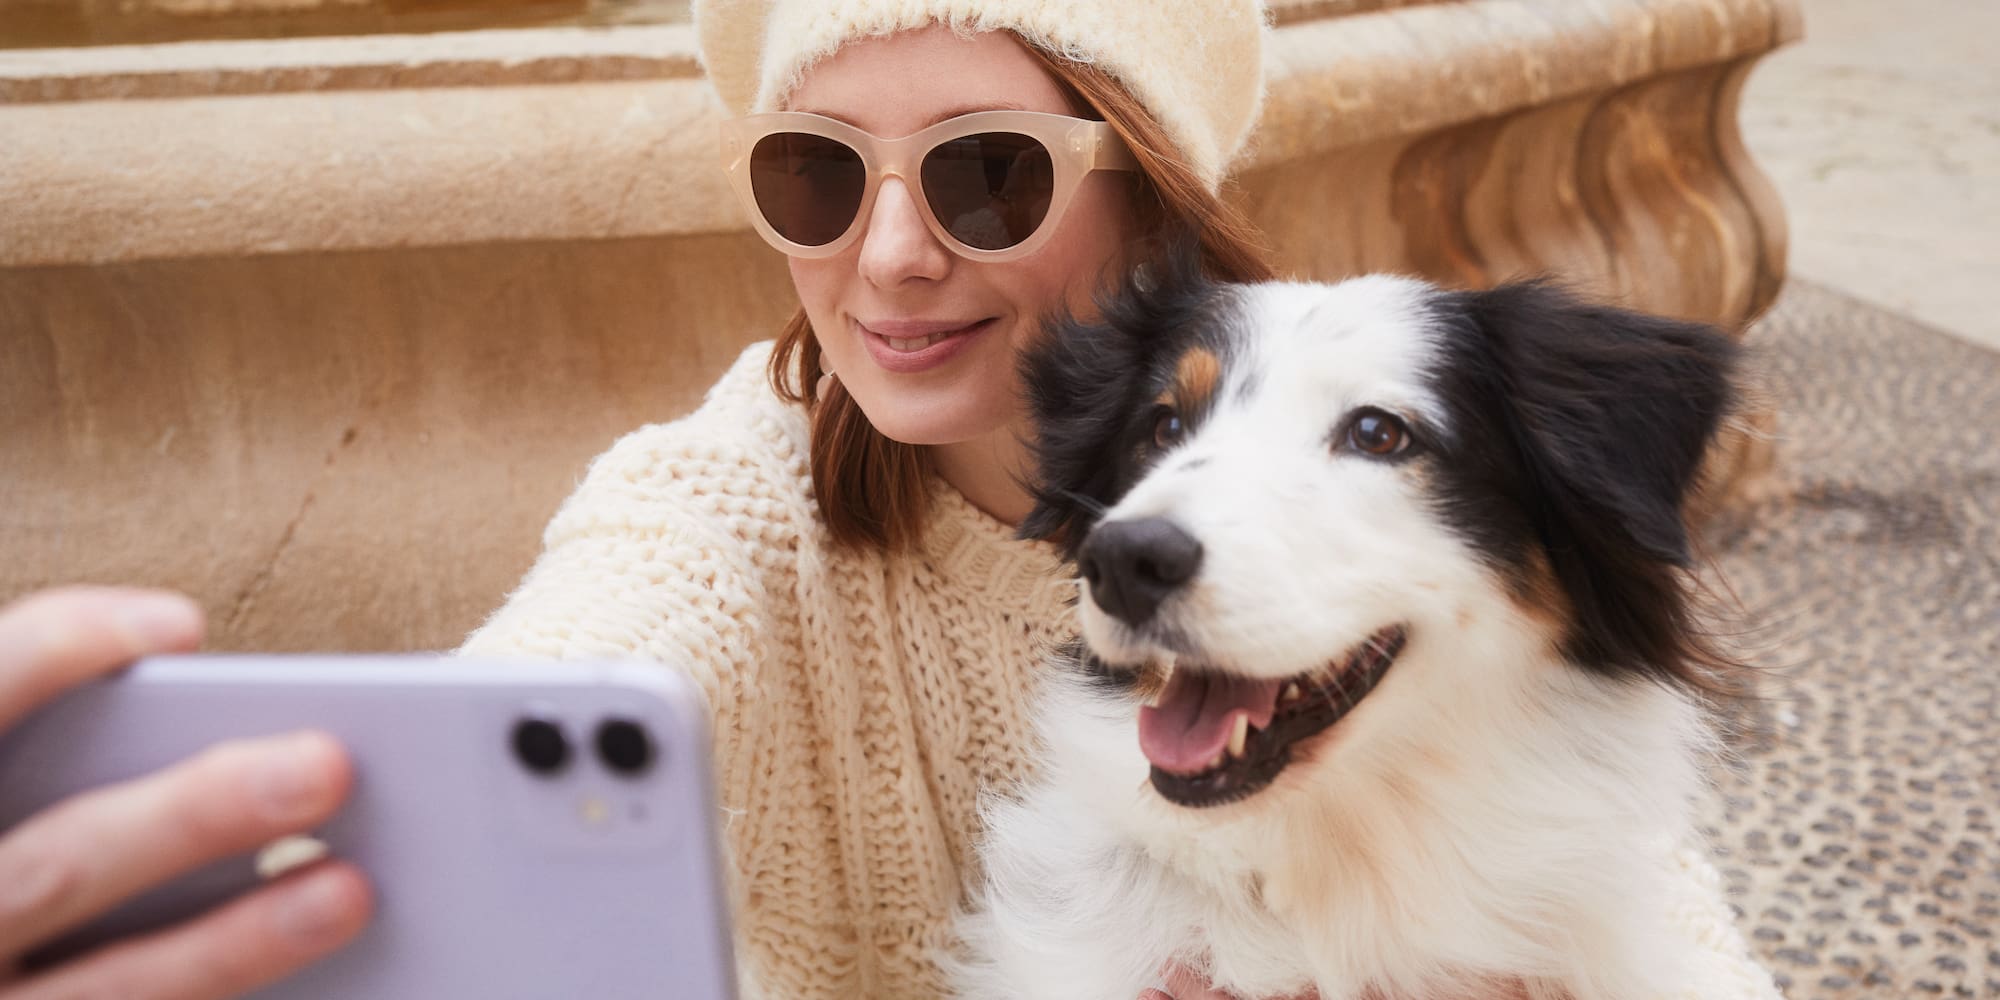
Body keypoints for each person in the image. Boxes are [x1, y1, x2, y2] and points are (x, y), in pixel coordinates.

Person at [0, 2, 1780, 998]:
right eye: (814, 175)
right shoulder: (730, 514)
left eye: (989, 171)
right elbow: (566, 674)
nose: (894, 255)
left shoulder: (1329, 414)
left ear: (1151, 196)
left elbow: (1620, 858)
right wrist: (232, 875)